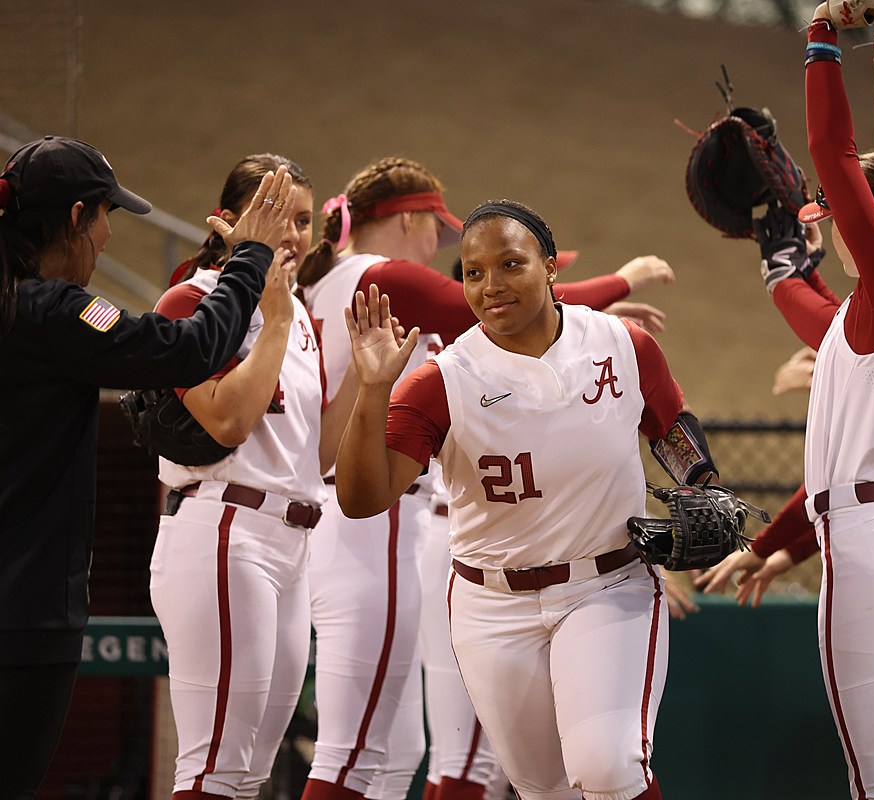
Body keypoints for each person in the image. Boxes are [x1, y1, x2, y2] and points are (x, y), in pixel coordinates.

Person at [296, 159, 676, 800]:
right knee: (425, 759)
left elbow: (669, 420)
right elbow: (365, 494)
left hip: (578, 574)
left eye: (509, 265)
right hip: (446, 555)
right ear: (411, 219)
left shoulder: (327, 280)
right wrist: (621, 278)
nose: (487, 284)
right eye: (471, 269)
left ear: (548, 266)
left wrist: (701, 481)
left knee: (594, 767)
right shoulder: (403, 312)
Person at [719, 4, 874, 797]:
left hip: (873, 547)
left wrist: (823, 33)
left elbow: (837, 154)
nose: (828, 214)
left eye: (840, 209)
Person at [0, 137, 291, 799]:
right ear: (77, 216)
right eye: (106, 215)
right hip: (22, 615)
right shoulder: (54, 310)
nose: (107, 234)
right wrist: (249, 258)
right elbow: (189, 350)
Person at [148, 154, 346, 800]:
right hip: (222, 529)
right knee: (213, 769)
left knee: (251, 773)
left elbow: (316, 460)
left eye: (302, 220)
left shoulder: (301, 318)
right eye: (273, 215)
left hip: (291, 542)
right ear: (229, 221)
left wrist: (372, 381)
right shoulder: (193, 299)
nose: (292, 234)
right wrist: (279, 316)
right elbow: (229, 422)